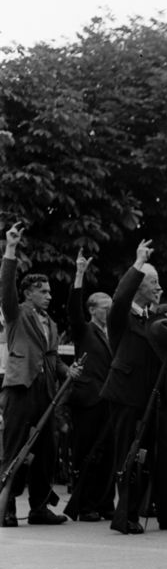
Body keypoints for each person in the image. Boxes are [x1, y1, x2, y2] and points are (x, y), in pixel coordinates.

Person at [101, 241, 167, 535]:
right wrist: (138, 263)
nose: (158, 287)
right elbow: (119, 298)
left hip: (155, 398)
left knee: (165, 457)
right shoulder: (121, 316)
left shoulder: (151, 317)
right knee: (130, 456)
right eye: (153, 281)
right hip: (127, 395)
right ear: (140, 284)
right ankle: (126, 516)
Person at [1, 221, 80, 526]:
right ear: (29, 294)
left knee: (47, 451)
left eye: (49, 291)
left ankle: (39, 508)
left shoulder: (52, 324)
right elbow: (6, 285)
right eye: (43, 291)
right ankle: (6, 509)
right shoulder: (16, 313)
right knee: (13, 450)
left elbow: (51, 359)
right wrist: (10, 249)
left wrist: (67, 371)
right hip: (20, 388)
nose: (49, 295)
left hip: (46, 392)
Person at [64, 249, 114, 521]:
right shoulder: (84, 330)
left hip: (108, 398)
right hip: (88, 399)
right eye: (105, 308)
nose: (109, 312)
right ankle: (84, 505)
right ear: (93, 310)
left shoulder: (113, 333)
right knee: (87, 453)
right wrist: (80, 274)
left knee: (107, 454)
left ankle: (105, 502)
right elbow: (72, 310)